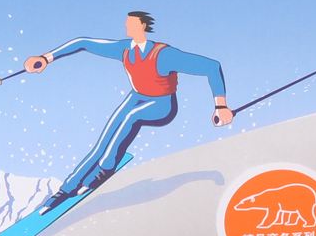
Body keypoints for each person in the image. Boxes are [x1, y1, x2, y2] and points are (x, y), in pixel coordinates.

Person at [24, 11, 233, 214]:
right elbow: (83, 43)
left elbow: (212, 67)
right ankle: (67, 188)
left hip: (163, 105)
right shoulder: (125, 49)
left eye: (130, 23)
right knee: (104, 140)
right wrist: (46, 58)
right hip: (137, 97)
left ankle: (105, 167)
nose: (126, 26)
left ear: (143, 26)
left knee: (131, 117)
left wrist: (221, 106)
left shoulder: (164, 54)